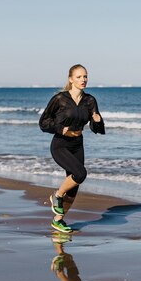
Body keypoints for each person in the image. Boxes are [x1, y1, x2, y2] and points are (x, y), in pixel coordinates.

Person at [39, 64, 105, 233]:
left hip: (77, 144)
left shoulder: (90, 101)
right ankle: (57, 195)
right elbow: (44, 122)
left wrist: (97, 121)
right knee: (81, 173)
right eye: (79, 77)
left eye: (85, 76)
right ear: (71, 79)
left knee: (74, 185)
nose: (83, 80)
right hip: (60, 144)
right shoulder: (60, 99)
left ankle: (58, 221)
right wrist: (60, 129)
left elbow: (97, 129)